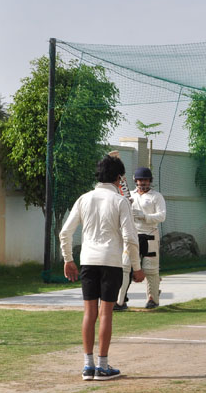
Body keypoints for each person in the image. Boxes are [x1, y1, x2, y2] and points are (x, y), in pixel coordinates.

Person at [59, 154, 144, 381]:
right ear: (119, 178)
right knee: (106, 313)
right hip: (111, 261)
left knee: (90, 312)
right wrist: (137, 267)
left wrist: (68, 259)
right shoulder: (120, 201)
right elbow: (130, 238)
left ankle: (88, 366)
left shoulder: (84, 198)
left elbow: (65, 233)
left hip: (88, 260)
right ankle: (102, 366)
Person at [114, 167, 167, 311]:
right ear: (135, 181)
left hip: (150, 235)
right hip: (132, 236)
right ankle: (120, 301)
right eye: (140, 180)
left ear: (150, 181)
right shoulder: (129, 196)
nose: (143, 182)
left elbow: (162, 216)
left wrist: (145, 216)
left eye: (145, 180)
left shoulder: (156, 196)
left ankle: (152, 298)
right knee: (125, 267)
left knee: (150, 269)